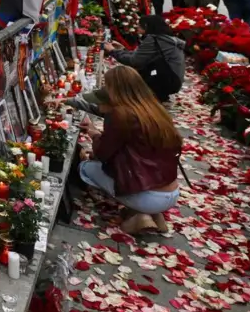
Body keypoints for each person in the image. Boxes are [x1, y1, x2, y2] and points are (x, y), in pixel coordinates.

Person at [78, 66, 183, 235]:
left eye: (107, 85)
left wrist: (94, 137)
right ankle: (152, 214)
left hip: (147, 194)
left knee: (85, 168)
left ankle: (139, 213)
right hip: (171, 192)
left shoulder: (121, 113)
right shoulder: (153, 107)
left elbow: (103, 154)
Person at [102, 15, 186, 101]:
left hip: (167, 81)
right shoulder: (165, 39)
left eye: (139, 24)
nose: (137, 27)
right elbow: (142, 56)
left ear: (146, 26)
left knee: (125, 78)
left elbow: (135, 61)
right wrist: (122, 50)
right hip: (173, 81)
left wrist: (112, 51)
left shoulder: (153, 39)